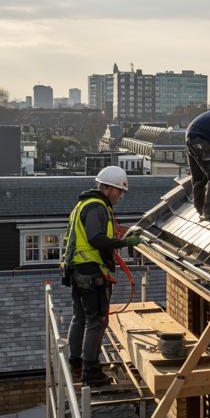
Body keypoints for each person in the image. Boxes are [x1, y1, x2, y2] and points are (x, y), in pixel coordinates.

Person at [61, 165, 142, 387]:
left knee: (80, 318)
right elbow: (96, 239)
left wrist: (121, 234)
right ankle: (91, 371)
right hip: (90, 272)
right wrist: (124, 242)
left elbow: (93, 236)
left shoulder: (83, 205)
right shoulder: (97, 207)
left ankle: (75, 363)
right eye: (118, 191)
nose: (120, 196)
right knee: (96, 321)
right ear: (106, 188)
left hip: (77, 271)